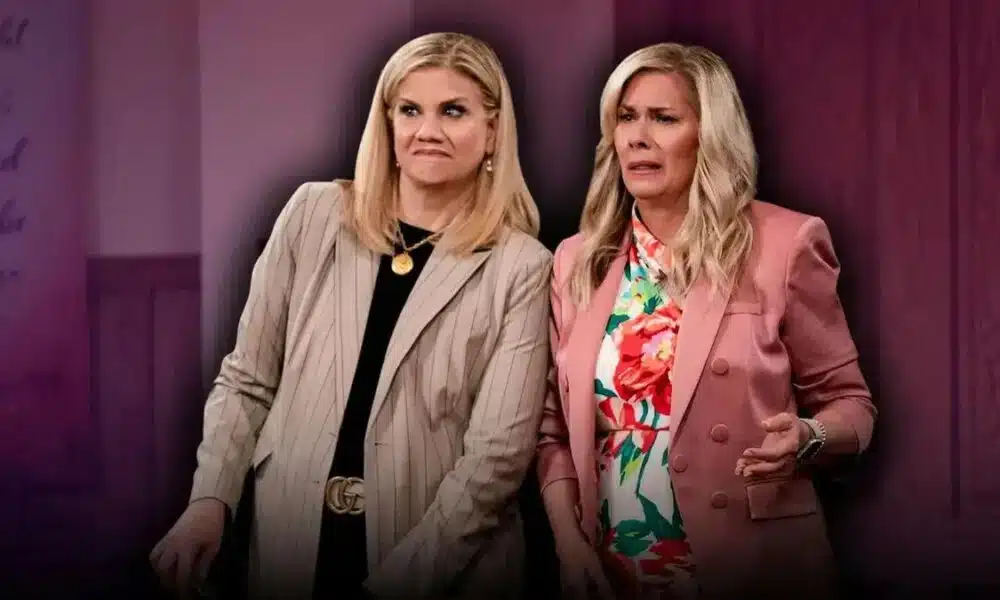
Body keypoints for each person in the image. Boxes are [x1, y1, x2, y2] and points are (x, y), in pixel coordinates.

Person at [150, 32, 552, 600]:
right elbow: (247, 381)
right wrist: (208, 501)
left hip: (439, 566)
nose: (427, 130)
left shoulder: (522, 266)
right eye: (409, 110)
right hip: (292, 544)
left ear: (492, 130)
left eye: (452, 111)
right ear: (386, 123)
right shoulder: (312, 215)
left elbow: (496, 460)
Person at [536, 42, 877, 600]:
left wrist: (809, 436)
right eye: (626, 117)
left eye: (664, 118)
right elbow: (551, 432)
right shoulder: (576, 260)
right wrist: (568, 545)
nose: (637, 137)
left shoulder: (786, 243)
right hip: (612, 568)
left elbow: (851, 404)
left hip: (752, 565)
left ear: (710, 135)